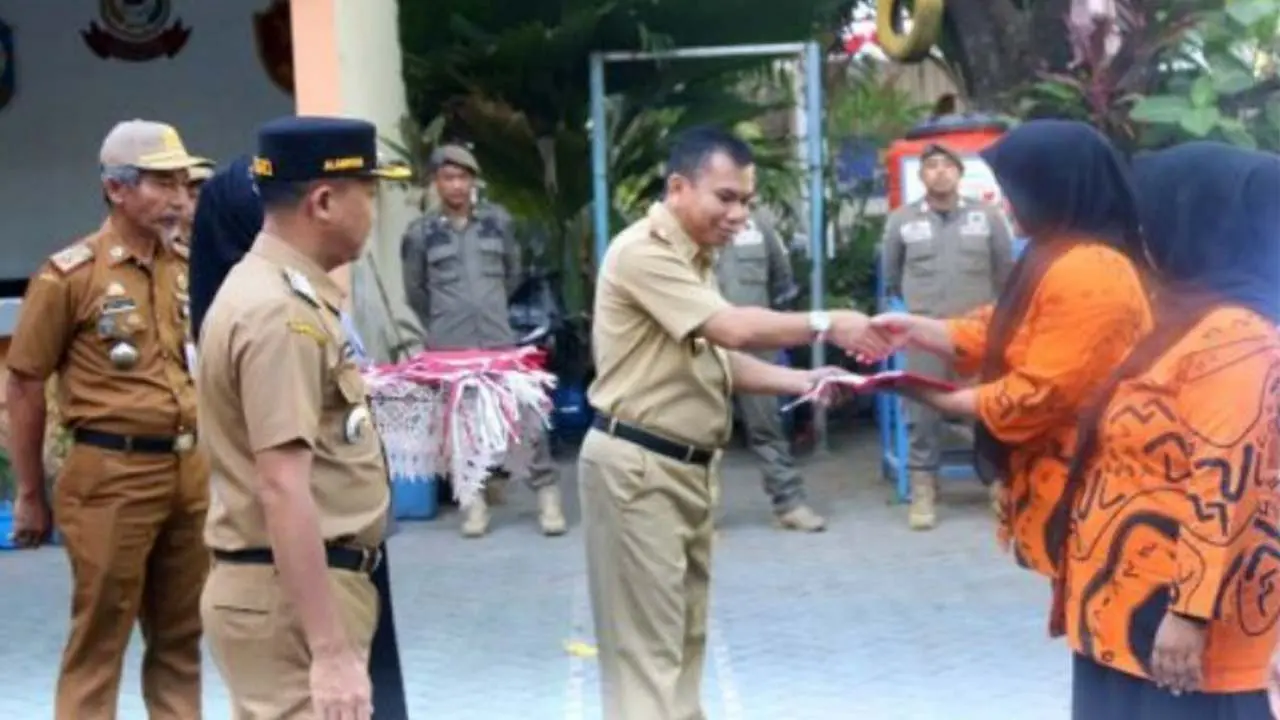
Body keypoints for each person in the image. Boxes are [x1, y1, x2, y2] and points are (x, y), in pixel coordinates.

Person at [580, 125, 890, 719]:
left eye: (746, 201)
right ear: (678, 187)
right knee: (647, 664)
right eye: (725, 197)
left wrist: (802, 380)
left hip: (685, 470)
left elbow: (715, 357)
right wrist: (831, 322)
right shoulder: (642, 252)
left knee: (684, 646)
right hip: (638, 471)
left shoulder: (695, 258)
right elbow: (732, 329)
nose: (739, 214)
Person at [869, 119, 1154, 580]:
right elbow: (1007, 327)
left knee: (1101, 634)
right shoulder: (1056, 253)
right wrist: (917, 330)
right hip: (1071, 493)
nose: (1005, 201)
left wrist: (942, 397)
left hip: (1096, 492)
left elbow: (1042, 391)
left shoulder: (1090, 270)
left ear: (1051, 189)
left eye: (1015, 189)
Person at [197, 116, 409, 719]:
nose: (373, 207)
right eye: (368, 191)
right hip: (290, 603)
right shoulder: (277, 315)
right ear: (323, 200)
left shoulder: (284, 295)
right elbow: (282, 484)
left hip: (293, 592)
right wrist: (331, 652)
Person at [1058, 143, 1280, 719]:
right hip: (1126, 611)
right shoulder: (1183, 316)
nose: (1140, 233)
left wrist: (1189, 612)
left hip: (1175, 629)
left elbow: (1227, 479)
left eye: (1149, 216)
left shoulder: (1235, 335)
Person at [6, 119, 212, 719]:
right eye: (160, 181)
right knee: (100, 641)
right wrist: (28, 493)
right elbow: (23, 385)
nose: (177, 195)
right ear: (116, 189)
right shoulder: (70, 274)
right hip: (110, 475)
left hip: (188, 469)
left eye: (181, 181)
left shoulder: (185, 266)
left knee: (181, 640)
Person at [400, 143, 565, 538]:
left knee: (525, 417)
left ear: (473, 181)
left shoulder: (498, 223)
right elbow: (415, 291)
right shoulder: (420, 233)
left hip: (496, 339)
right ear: (436, 183)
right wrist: (446, 319)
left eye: (462, 177)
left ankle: (547, 495)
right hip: (449, 344)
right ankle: (473, 503)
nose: (456, 185)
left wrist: (486, 308)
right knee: (461, 425)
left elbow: (513, 273)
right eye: (447, 177)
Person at [880, 142, 1015, 530]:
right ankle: (924, 490)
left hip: (977, 333)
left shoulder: (988, 216)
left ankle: (997, 485)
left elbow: (1005, 274)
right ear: (921, 176)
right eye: (931, 166)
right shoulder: (901, 221)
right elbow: (892, 275)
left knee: (986, 409)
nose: (939, 172)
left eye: (947, 166)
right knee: (921, 411)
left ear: (959, 173)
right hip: (924, 332)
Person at [715, 165, 824, 531]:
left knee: (767, 427)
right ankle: (699, 515)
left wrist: (772, 331)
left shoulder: (759, 224)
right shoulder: (685, 229)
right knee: (697, 429)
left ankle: (789, 503)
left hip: (752, 346)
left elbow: (782, 281)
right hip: (698, 345)